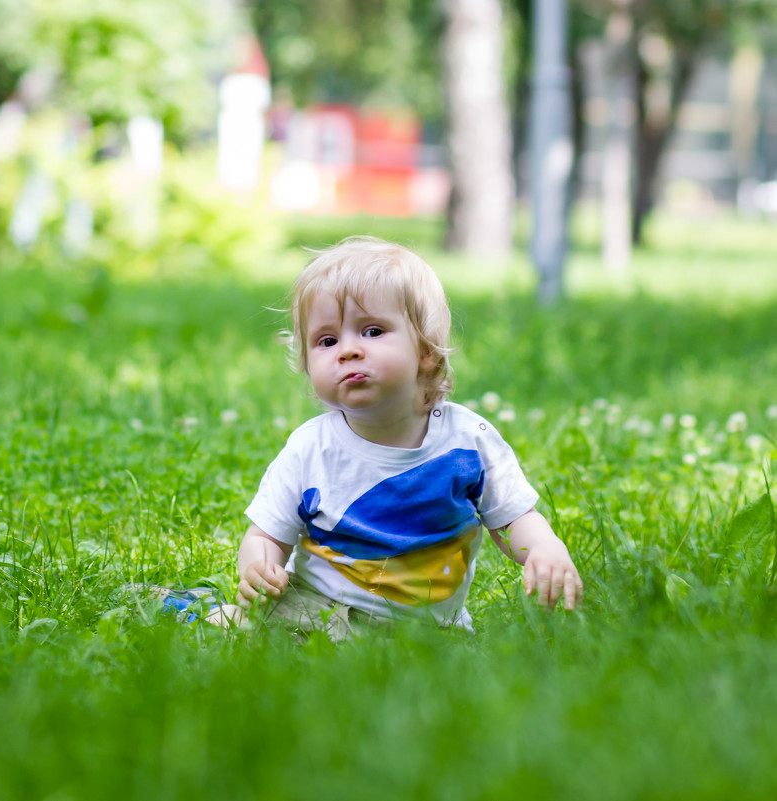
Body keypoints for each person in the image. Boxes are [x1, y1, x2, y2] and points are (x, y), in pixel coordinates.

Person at [208, 237, 582, 639]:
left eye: (371, 330)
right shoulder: (310, 449)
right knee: (241, 632)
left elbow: (513, 518)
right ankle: (198, 609)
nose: (347, 350)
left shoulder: (467, 441)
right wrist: (258, 566)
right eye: (327, 341)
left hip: (431, 631)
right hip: (314, 610)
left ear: (424, 349)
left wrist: (542, 548)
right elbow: (266, 534)